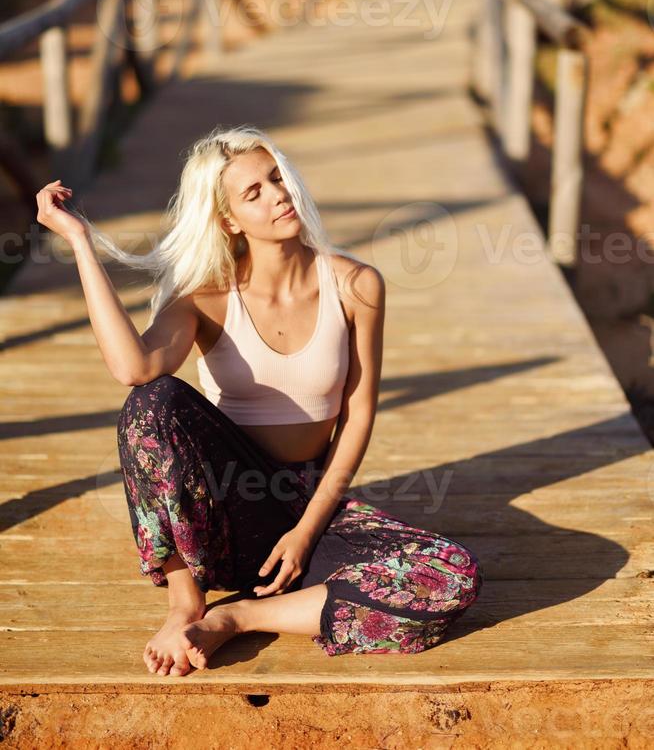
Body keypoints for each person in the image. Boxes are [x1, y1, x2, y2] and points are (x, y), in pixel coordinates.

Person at [35, 123, 483, 678]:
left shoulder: (355, 284)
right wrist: (80, 243)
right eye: (254, 192)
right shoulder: (205, 296)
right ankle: (186, 603)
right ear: (227, 219)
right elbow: (133, 368)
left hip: (308, 500)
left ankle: (241, 617)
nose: (278, 195)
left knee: (449, 575)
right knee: (151, 401)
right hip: (221, 513)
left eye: (278, 178)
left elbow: (359, 414)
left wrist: (305, 531)